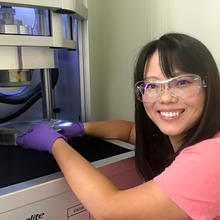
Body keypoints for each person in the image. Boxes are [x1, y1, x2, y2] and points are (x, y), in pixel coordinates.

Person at [16, 33, 220, 219]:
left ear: (208, 85)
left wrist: (55, 143)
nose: (165, 97)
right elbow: (130, 131)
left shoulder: (212, 156)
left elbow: (110, 210)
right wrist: (81, 128)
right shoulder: (183, 137)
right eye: (152, 85)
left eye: (182, 82)